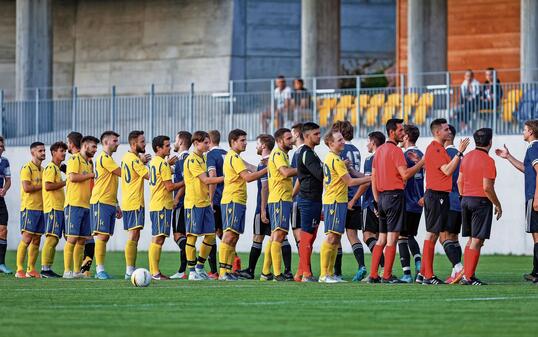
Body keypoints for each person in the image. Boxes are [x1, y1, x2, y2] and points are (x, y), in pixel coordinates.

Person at [368, 119, 425, 283]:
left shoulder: (378, 151)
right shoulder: (396, 151)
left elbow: (373, 177)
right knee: (392, 239)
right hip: (394, 197)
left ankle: (373, 275)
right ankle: (386, 275)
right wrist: (421, 162)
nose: (403, 133)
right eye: (400, 130)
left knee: (381, 239)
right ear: (392, 132)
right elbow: (405, 174)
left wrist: (377, 199)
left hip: (382, 197)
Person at [421, 118, 470, 285]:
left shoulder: (440, 149)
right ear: (437, 132)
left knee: (435, 235)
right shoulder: (434, 149)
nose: (449, 132)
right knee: (432, 234)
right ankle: (428, 276)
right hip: (436, 196)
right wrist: (460, 152)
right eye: (446, 129)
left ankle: (427, 274)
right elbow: (448, 171)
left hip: (441, 196)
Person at [320, 130, 370, 283]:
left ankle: (330, 273)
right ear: (331, 143)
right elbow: (350, 182)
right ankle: (324, 274)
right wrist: (371, 178)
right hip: (335, 201)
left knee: (336, 238)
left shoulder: (334, 159)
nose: (343, 142)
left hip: (337, 201)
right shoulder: (335, 159)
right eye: (339, 140)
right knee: (332, 237)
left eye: (342, 139)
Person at [218, 129, 267, 280]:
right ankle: (222, 273)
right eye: (242, 140)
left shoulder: (236, 157)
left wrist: (263, 165)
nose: (245, 143)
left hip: (239, 201)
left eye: (245, 140)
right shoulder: (233, 157)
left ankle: (228, 271)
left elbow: (252, 169)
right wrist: (268, 169)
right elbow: (248, 177)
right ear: (233, 142)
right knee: (229, 235)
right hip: (232, 200)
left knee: (234, 237)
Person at [495, 120, 538, 283]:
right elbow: (527, 170)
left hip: (533, 196)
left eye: (525, 129)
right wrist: (508, 157)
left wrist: (536, 197)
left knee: (536, 236)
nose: (523, 132)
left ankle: (537, 272)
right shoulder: (533, 148)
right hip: (533, 195)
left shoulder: (534, 147)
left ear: (531, 132)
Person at [458, 128, 501, 285]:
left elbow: (459, 182)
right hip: (480, 201)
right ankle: (469, 277)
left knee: (471, 240)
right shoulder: (488, 161)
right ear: (490, 142)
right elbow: (487, 188)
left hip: (466, 200)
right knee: (477, 240)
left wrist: (464, 197)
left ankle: (468, 274)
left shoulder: (466, 157)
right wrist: (498, 205)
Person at [184, 131, 224, 281]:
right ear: (196, 143)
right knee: (192, 237)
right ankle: (192, 271)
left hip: (205, 203)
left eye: (208, 142)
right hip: (194, 203)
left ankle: (200, 267)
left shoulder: (204, 158)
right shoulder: (192, 160)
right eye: (205, 143)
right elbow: (206, 181)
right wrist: (227, 178)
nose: (208, 145)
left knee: (210, 236)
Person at [332, 120, 368, 282]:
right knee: (353, 235)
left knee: (336, 236)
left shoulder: (341, 150)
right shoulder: (356, 150)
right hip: (357, 196)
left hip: (343, 196)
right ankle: (361, 265)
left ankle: (337, 272)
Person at [260, 128, 297, 281]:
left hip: (282, 199)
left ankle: (265, 272)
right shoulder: (277, 154)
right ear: (280, 141)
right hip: (279, 199)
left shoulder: (282, 154)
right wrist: (303, 167)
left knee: (275, 235)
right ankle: (276, 274)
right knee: (279, 235)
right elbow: (285, 173)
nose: (292, 141)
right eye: (288, 138)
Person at [237, 134, 274, 279]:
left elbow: (265, 187)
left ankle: (255, 271)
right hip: (273, 205)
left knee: (259, 238)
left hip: (264, 205)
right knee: (275, 238)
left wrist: (263, 209)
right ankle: (267, 271)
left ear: (263, 146)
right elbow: (258, 170)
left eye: (258, 144)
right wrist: (243, 163)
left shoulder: (265, 162)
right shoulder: (269, 161)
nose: (256, 146)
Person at [148, 136, 183, 280]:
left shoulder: (155, 162)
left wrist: (168, 165)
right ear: (158, 148)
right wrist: (186, 181)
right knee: (158, 238)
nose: (169, 148)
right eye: (167, 146)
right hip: (161, 205)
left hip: (157, 204)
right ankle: (155, 273)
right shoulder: (162, 164)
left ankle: (154, 271)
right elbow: (170, 187)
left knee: (157, 238)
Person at [63, 136, 98, 279]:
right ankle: (67, 271)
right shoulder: (74, 159)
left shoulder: (89, 163)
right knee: (72, 238)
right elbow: (72, 177)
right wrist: (91, 175)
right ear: (85, 146)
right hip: (74, 205)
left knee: (82, 240)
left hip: (86, 205)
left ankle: (77, 271)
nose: (95, 150)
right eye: (93, 147)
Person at [90, 131, 122, 280]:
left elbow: (111, 184)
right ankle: (99, 270)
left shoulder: (109, 159)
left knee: (105, 237)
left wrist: (116, 204)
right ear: (106, 142)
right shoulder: (104, 157)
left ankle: (98, 269)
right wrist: (138, 162)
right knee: (101, 236)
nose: (117, 143)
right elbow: (123, 173)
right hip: (100, 201)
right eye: (115, 141)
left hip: (109, 202)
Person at [294, 122, 323, 282]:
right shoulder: (307, 154)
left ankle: (299, 273)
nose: (319, 136)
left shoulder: (311, 153)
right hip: (308, 200)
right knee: (306, 236)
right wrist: (334, 168)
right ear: (306, 136)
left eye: (319, 133)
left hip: (313, 200)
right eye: (316, 134)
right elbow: (320, 174)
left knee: (310, 237)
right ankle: (306, 273)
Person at [121, 130, 151, 279]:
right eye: (142, 142)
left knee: (134, 235)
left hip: (129, 200)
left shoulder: (127, 157)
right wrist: (164, 165)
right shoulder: (134, 160)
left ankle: (130, 269)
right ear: (134, 144)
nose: (145, 144)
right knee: (133, 235)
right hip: (134, 201)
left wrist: (142, 161)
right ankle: (129, 270)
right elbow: (149, 176)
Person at [398, 125, 425, 283]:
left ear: (407, 137)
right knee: (410, 235)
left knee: (402, 236)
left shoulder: (404, 156)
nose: (401, 136)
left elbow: (403, 177)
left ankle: (407, 274)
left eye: (403, 134)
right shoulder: (421, 155)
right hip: (418, 202)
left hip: (405, 202)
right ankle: (419, 263)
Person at [15, 142, 46, 278]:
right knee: (27, 238)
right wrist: (44, 186)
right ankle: (19, 269)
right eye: (40, 151)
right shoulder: (26, 168)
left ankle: (31, 269)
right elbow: (27, 188)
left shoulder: (44, 169)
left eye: (44, 150)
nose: (43, 153)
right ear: (33, 152)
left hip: (42, 208)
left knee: (37, 239)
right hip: (29, 208)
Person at [40, 142, 67, 278]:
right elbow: (48, 186)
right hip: (52, 208)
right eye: (61, 150)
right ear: (53, 152)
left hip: (58, 208)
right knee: (51, 238)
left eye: (64, 151)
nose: (64, 153)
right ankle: (45, 269)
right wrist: (66, 182)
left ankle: (47, 268)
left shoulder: (56, 168)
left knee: (55, 239)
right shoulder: (50, 167)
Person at [207, 130, 232, 278]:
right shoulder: (227, 153)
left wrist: (210, 199)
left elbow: (212, 177)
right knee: (225, 233)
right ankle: (233, 263)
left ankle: (215, 271)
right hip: (228, 199)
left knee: (212, 234)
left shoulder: (211, 155)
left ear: (209, 140)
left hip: (216, 199)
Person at [360, 132, 386, 268]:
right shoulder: (385, 158)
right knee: (379, 237)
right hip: (385, 201)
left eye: (368, 141)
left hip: (370, 202)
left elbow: (367, 182)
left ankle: (383, 265)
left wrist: (354, 201)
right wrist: (352, 171)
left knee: (367, 236)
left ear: (373, 143)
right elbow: (366, 177)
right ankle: (380, 269)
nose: (367, 144)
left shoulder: (371, 159)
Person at [443, 125, 465, 284]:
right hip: (460, 200)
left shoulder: (443, 154)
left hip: (447, 200)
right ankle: (455, 271)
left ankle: (459, 267)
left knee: (443, 237)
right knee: (454, 238)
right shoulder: (462, 156)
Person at [170, 131, 190, 279]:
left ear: (181, 142)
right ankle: (183, 271)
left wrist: (176, 198)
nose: (174, 142)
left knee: (178, 235)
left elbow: (186, 181)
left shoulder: (183, 159)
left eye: (176, 140)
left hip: (182, 202)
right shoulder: (184, 159)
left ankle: (191, 261)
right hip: (188, 202)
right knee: (186, 236)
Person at [0, 136, 12, 274]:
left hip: (0, 200)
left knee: (3, 230)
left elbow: (8, 180)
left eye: (2, 146)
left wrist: (5, 189)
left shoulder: (5, 162)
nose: (1, 148)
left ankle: (1, 263)